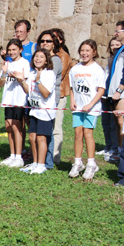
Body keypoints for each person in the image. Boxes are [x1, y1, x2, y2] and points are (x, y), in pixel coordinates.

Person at [68, 40, 105, 180]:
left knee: (87, 133)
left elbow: (101, 89)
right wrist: (72, 101)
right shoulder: (75, 69)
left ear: (94, 52)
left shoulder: (97, 69)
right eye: (82, 50)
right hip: (78, 107)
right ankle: (77, 162)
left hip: (91, 108)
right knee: (78, 133)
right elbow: (72, 88)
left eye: (88, 50)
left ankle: (91, 163)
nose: (84, 53)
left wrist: (91, 104)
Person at [16, 49, 56, 174]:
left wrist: (38, 81)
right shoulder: (32, 73)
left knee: (41, 138)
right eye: (36, 56)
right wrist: (21, 80)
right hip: (34, 110)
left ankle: (42, 164)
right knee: (32, 137)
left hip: (45, 112)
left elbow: (45, 93)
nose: (38, 59)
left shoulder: (49, 74)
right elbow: (29, 91)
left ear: (46, 60)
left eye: (41, 57)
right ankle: (35, 162)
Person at [0, 39, 30, 167]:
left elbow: (26, 82)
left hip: (19, 100)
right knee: (9, 127)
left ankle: (19, 156)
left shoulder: (25, 63)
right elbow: (0, 84)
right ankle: (12, 155)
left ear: (20, 50)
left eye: (14, 50)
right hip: (8, 99)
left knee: (17, 128)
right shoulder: (7, 63)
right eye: (9, 50)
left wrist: (19, 77)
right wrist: (4, 72)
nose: (11, 52)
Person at [106, 20, 124, 164]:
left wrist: (119, 91)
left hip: (122, 94)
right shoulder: (122, 49)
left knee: (123, 124)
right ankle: (119, 150)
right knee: (117, 124)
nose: (115, 34)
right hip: (113, 93)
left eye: (118, 31)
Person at [36, 30, 63, 170]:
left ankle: (48, 161)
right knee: (40, 131)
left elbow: (48, 83)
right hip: (38, 100)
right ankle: (39, 159)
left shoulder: (55, 60)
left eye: (48, 41)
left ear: (54, 44)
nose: (45, 43)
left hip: (50, 100)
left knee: (49, 131)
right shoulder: (39, 59)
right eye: (42, 41)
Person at [50, 28, 72, 165]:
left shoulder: (63, 56)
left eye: (54, 38)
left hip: (60, 94)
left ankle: (55, 157)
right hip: (49, 95)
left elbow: (58, 74)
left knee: (56, 127)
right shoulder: (52, 55)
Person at [99, 38, 122, 160]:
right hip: (106, 94)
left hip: (115, 95)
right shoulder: (109, 60)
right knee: (105, 122)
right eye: (112, 45)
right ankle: (108, 146)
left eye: (117, 45)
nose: (114, 47)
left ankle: (115, 147)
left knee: (114, 124)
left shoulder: (121, 61)